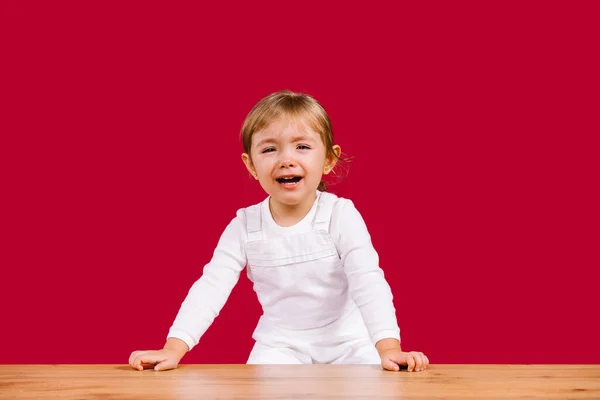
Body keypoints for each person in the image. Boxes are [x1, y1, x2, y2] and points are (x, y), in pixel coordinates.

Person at [129, 90, 430, 372]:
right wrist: (173, 348)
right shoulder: (245, 225)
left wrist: (389, 346)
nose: (286, 159)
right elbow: (211, 286)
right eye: (270, 149)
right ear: (251, 165)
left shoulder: (341, 215)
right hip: (280, 346)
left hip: (350, 343)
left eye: (302, 146)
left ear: (328, 159)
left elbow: (368, 280)